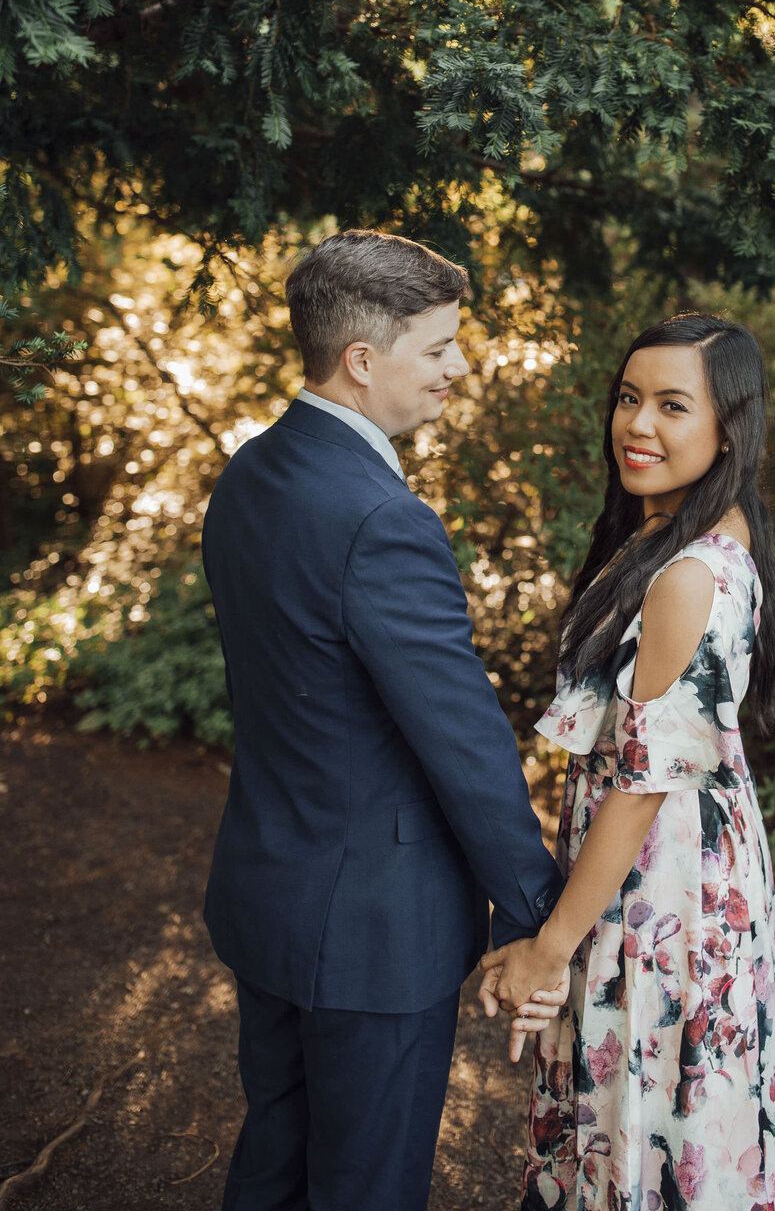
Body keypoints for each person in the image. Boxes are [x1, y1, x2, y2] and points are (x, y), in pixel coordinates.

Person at [202, 230, 565, 1211]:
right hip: (374, 932)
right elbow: (463, 740)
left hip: (268, 895)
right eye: (439, 348)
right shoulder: (381, 518)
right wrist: (540, 916)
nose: (459, 368)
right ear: (362, 360)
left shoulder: (248, 474)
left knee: (275, 1164)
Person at [481, 312, 775, 1211]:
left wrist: (548, 949)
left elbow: (640, 788)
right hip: (666, 870)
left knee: (646, 1127)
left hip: (661, 888)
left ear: (729, 428)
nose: (638, 424)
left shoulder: (688, 573)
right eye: (629, 398)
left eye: (672, 405)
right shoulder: (681, 537)